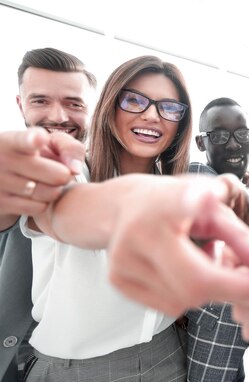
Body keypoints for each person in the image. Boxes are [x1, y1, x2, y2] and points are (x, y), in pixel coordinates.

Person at [20, 55, 195, 381]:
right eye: (134, 100)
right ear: (109, 106)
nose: (152, 115)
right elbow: (65, 215)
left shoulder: (175, 188)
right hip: (79, 370)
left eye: (170, 107)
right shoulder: (69, 172)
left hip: (168, 354)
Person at [0, 47, 96, 382]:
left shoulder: (100, 172)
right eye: (40, 100)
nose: (58, 116)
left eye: (74, 103)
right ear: (20, 104)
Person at [188, 96, 249, 382]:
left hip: (227, 356)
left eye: (241, 134)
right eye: (218, 135)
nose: (233, 143)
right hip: (208, 357)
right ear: (201, 142)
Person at [192, 97, 249, 187]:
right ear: (200, 143)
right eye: (219, 136)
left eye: (243, 134)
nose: (233, 145)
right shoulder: (197, 178)